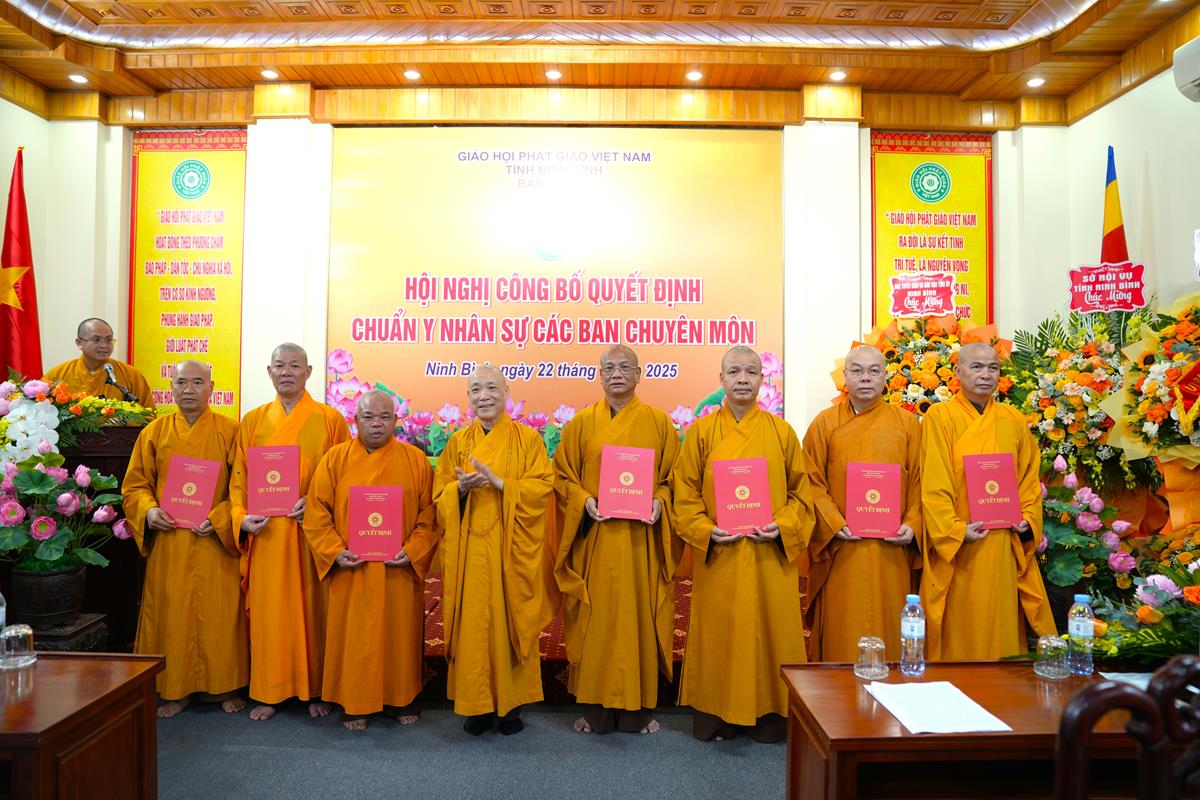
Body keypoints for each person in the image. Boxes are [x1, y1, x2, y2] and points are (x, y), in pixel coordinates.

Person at [672, 345, 814, 742]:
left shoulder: (782, 433)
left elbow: (802, 496)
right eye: (734, 372)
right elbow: (684, 495)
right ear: (721, 379)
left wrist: (783, 525)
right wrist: (705, 530)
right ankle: (719, 716)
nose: (742, 379)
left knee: (772, 633)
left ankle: (770, 719)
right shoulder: (700, 433)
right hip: (723, 554)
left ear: (762, 379)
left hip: (770, 556)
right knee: (722, 635)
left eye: (751, 372)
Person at [553, 345, 680, 735]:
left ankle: (639, 710)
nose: (617, 374)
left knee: (637, 621)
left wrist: (660, 502)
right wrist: (584, 500)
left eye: (625, 367)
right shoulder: (581, 424)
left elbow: (674, 479)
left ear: (640, 374)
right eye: (609, 368)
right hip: (597, 540)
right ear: (600, 375)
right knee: (597, 622)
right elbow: (562, 477)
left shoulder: (659, 423)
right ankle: (595, 710)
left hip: (641, 542)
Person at [304, 390, 440, 731]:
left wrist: (413, 550)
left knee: (399, 636)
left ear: (396, 421)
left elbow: (430, 515)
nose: (376, 424)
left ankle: (400, 699)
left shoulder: (415, 460)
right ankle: (355, 702)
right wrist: (335, 551)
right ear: (355, 420)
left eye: (384, 417)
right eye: (368, 417)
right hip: (353, 568)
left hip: (397, 569)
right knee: (355, 637)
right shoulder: (335, 459)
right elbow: (317, 512)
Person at [229, 343, 351, 722]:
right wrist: (241, 517)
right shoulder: (252, 421)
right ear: (269, 372)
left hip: (311, 533)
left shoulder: (330, 419)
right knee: (271, 615)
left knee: (315, 612)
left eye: (294, 365)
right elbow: (238, 480)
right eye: (279, 366)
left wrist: (313, 501)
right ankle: (270, 690)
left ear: (308, 372)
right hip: (267, 534)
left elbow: (345, 476)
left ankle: (316, 689)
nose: (286, 372)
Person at [433, 364, 556, 736]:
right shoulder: (458, 442)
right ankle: (477, 707)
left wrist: (503, 484)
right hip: (470, 550)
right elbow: (439, 498)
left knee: (509, 623)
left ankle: (511, 707)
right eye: (475, 390)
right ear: (468, 397)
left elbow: (543, 487)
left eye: (490, 388)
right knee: (473, 628)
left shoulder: (528, 440)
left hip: (511, 549)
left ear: (506, 391)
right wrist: (460, 490)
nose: (483, 396)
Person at [122, 360, 246, 717]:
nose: (188, 390)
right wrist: (149, 511)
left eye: (197, 382)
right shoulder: (154, 432)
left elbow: (242, 487)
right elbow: (135, 485)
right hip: (171, 538)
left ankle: (224, 686)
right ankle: (175, 689)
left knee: (220, 614)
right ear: (171, 388)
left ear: (212, 388)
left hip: (214, 540)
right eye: (181, 383)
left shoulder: (231, 431)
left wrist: (220, 517)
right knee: (172, 613)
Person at [920, 342, 1056, 660]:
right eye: (977, 367)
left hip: (1003, 544)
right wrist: (954, 529)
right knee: (961, 629)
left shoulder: (1013, 419)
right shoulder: (940, 417)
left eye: (993, 368)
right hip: (962, 546)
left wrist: (1027, 520)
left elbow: (1028, 480)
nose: (986, 374)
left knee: (1000, 625)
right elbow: (934, 482)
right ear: (958, 372)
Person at [802, 345, 922, 662]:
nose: (865, 378)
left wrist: (913, 524)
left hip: (892, 552)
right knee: (843, 634)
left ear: (885, 376)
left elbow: (921, 481)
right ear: (845, 376)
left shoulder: (907, 424)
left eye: (873, 371)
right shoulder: (824, 424)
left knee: (891, 632)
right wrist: (833, 521)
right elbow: (810, 481)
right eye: (856, 371)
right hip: (843, 549)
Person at [44, 318, 154, 406]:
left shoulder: (130, 375)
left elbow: (148, 415)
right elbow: (40, 412)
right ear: (79, 343)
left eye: (109, 340)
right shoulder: (58, 375)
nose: (104, 345)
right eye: (96, 340)